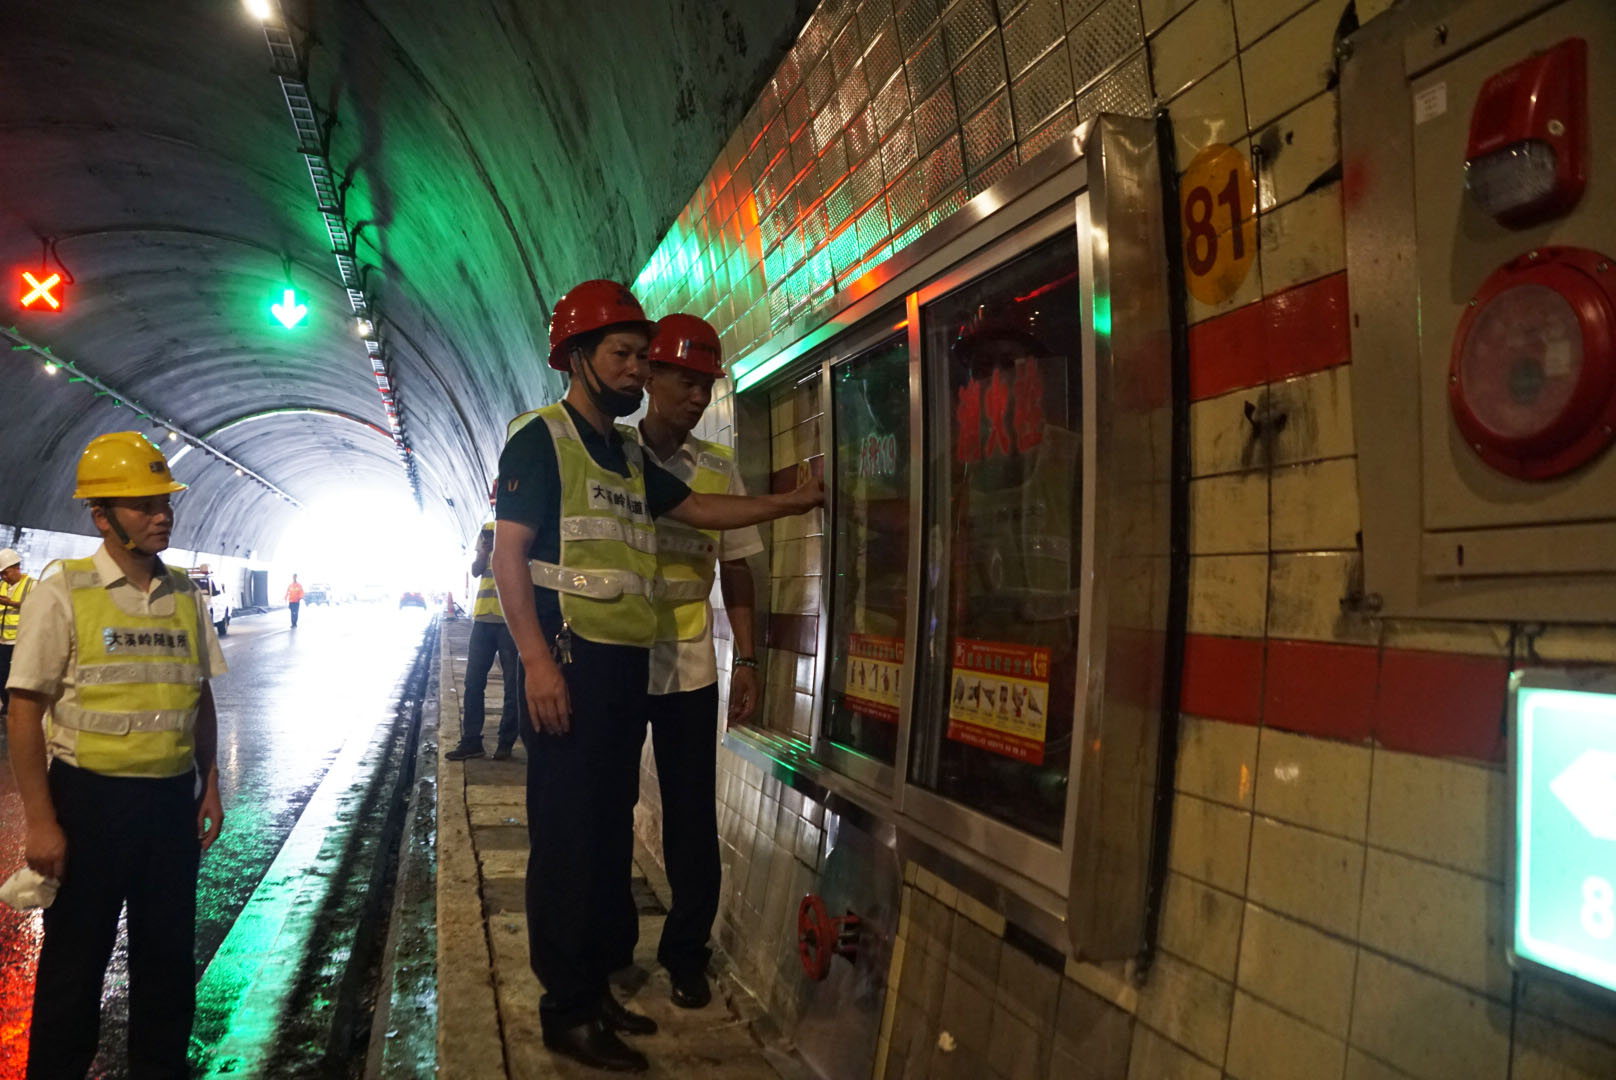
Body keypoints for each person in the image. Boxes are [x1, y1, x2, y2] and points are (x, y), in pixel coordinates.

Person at [491, 280, 820, 1073]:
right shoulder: (541, 438)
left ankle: (595, 986)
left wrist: (792, 504)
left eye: (643, 356)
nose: (638, 369)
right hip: (569, 663)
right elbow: (508, 557)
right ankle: (566, 1010)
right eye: (623, 354)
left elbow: (701, 512)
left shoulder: (627, 453)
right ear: (577, 357)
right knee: (567, 841)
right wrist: (535, 662)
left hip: (622, 668)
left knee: (604, 835)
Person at [5, 431, 226, 1078]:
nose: (162, 515)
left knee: (168, 963)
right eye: (143, 505)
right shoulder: (62, 591)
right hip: (89, 805)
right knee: (74, 966)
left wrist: (209, 784)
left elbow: (199, 697)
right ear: (101, 517)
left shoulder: (184, 594)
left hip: (169, 805)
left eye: (164, 502)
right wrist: (42, 821)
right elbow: (24, 710)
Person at [610, 313, 761, 1009]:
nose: (698, 397)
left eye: (707, 385)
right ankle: (611, 943)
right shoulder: (610, 455)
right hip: (616, 662)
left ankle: (685, 952)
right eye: (685, 381)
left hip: (691, 668)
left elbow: (739, 568)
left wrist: (749, 660)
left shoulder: (719, 467)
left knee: (692, 816)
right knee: (607, 805)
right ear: (650, 377)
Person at [445, 513, 520, 761]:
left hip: (511, 620)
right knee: (473, 682)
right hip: (483, 618)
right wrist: (484, 552)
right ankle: (471, 741)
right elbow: (477, 571)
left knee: (512, 686)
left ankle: (505, 743)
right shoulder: (487, 528)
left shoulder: (523, 528)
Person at [0, 547, 36, 718]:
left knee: (17, 679)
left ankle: (17, 709)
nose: (4, 577)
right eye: (1, 574)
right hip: (2, 640)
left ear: (16, 568)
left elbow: (37, 607)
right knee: (2, 676)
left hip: (19, 641)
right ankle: (6, 705)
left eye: (6, 573)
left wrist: (11, 603)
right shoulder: (2, 586)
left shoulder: (32, 584)